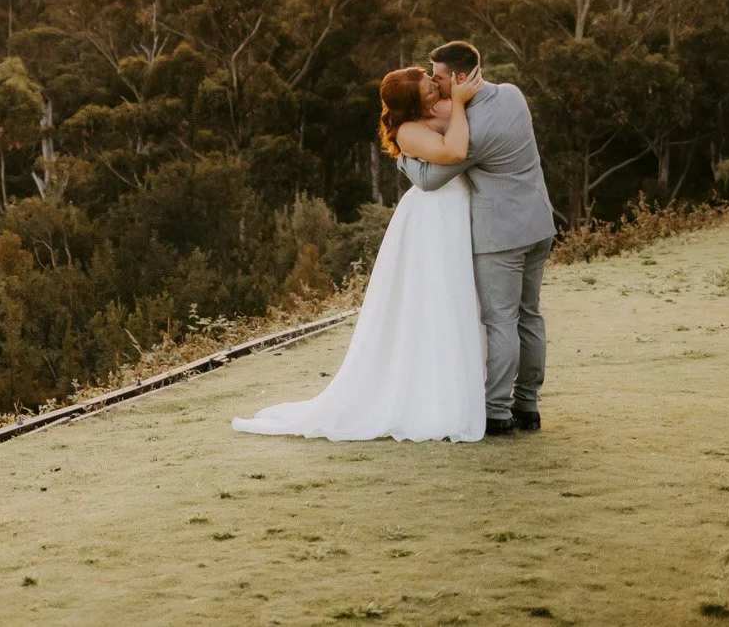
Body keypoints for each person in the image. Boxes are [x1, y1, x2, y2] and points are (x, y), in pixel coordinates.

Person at [231, 63, 486, 443]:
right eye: (429, 90)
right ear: (414, 106)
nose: (437, 90)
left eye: (433, 83)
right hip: (434, 217)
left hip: (456, 210)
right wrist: (461, 105)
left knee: (465, 295)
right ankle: (437, 398)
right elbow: (453, 152)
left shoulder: (437, 109)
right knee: (437, 298)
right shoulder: (410, 130)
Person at [405, 40, 555, 435]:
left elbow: (428, 179)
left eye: (438, 77)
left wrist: (401, 149)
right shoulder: (512, 94)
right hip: (539, 223)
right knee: (530, 315)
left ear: (458, 78)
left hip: (502, 235)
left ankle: (497, 412)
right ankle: (529, 405)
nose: (435, 85)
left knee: (500, 320)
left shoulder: (470, 131)